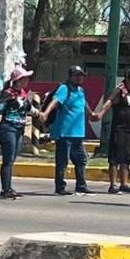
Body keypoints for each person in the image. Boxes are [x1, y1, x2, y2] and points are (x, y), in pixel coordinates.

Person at [41, 65, 92, 196]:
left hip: (78, 132)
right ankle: (60, 186)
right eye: (77, 75)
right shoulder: (64, 88)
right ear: (71, 76)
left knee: (81, 159)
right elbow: (55, 101)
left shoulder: (80, 90)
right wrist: (46, 113)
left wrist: (91, 113)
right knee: (63, 160)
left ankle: (81, 185)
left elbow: (83, 103)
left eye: (81, 75)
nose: (80, 78)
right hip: (65, 132)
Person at [93, 71, 130, 194]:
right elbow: (109, 101)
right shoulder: (119, 90)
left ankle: (124, 184)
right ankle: (113, 184)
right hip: (119, 129)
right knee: (115, 157)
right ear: (127, 79)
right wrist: (101, 113)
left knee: (127, 158)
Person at [0, 66, 38, 199]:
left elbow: (30, 109)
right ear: (18, 80)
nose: (27, 81)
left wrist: (41, 115)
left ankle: (8, 187)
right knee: (8, 159)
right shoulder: (8, 93)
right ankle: (5, 189)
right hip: (8, 128)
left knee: (12, 158)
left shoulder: (23, 94)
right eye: (25, 78)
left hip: (19, 128)